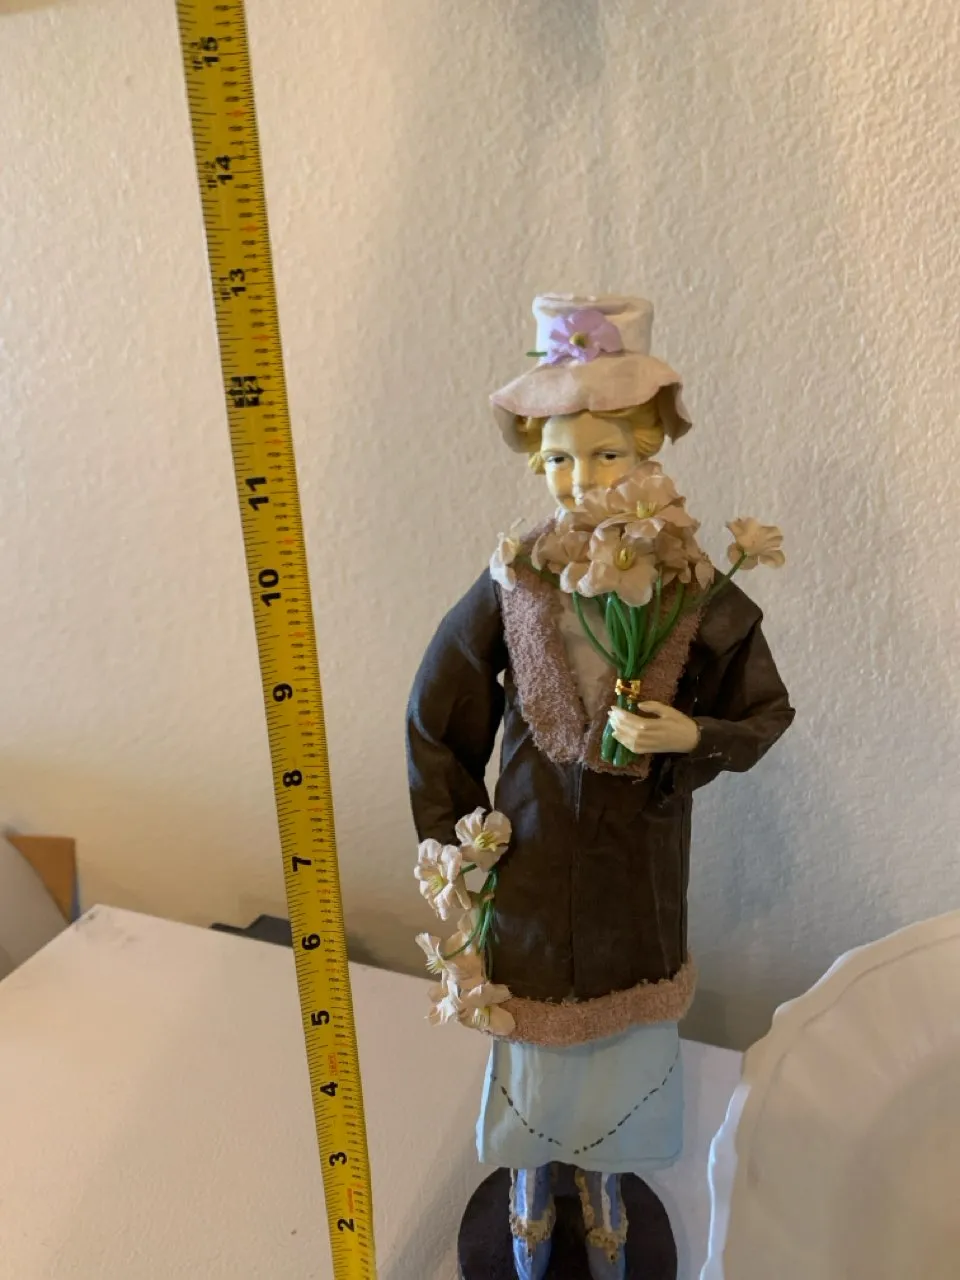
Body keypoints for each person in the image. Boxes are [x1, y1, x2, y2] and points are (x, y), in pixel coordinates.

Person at [406, 295, 794, 1279]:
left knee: (626, 1047)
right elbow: (439, 713)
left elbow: (764, 708)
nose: (583, 479)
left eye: (607, 453)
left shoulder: (690, 587)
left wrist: (689, 733)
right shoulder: (516, 580)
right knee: (532, 1043)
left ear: (649, 450)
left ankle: (606, 1184)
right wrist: (458, 848)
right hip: (531, 867)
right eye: (560, 459)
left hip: (636, 873)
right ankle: (529, 1180)